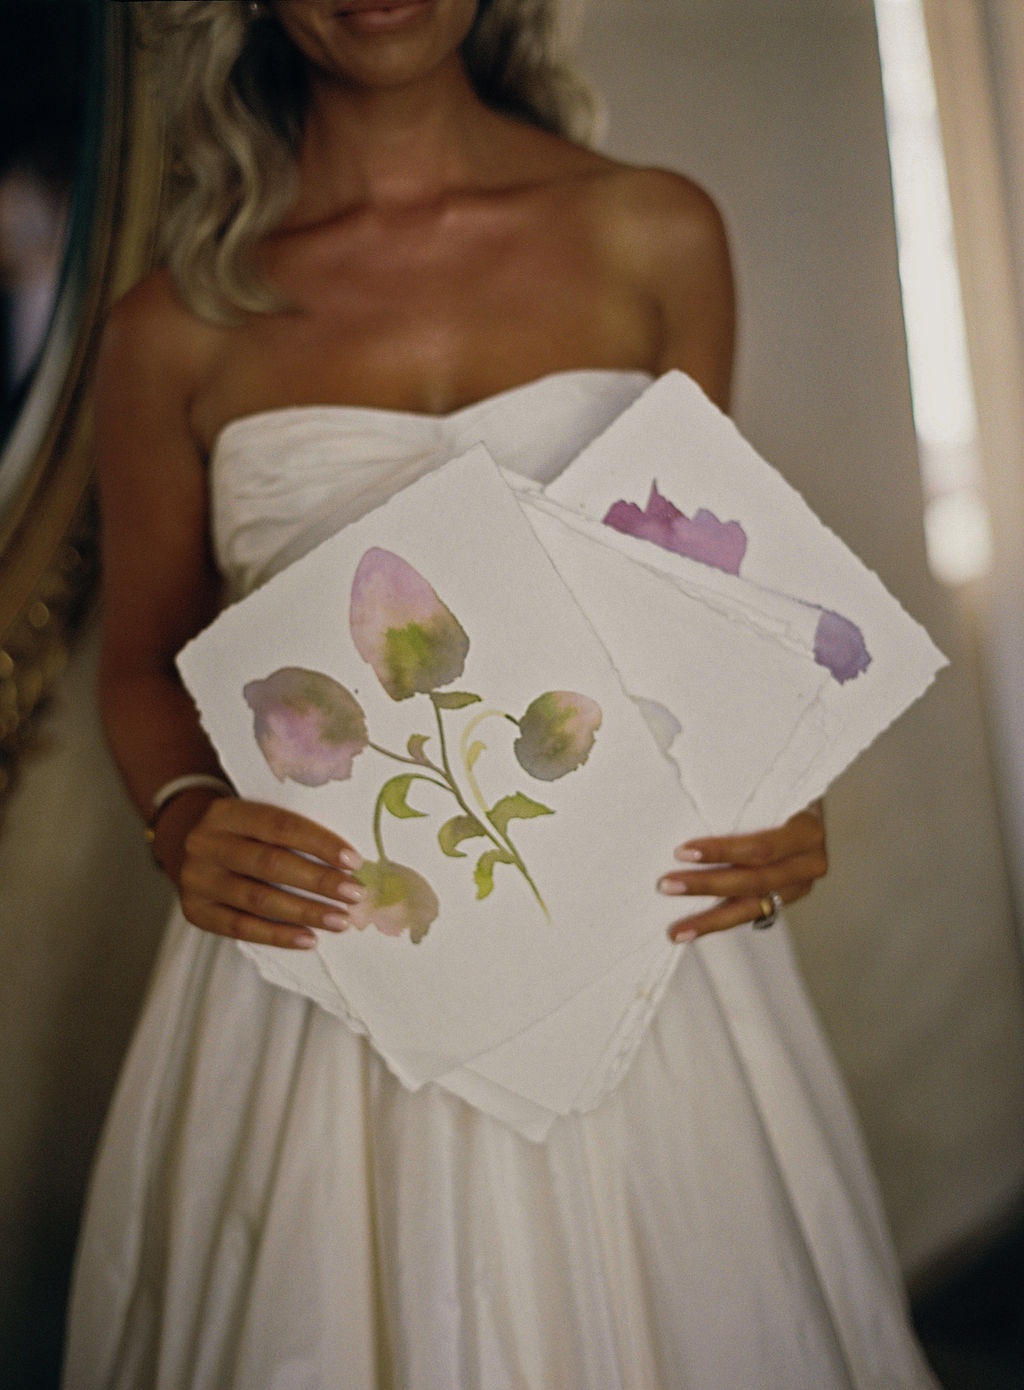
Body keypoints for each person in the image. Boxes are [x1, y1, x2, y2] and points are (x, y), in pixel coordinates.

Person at [63, 2, 938, 1386]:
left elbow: (706, 600)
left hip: (645, 960)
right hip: (321, 963)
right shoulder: (170, 325)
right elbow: (138, 658)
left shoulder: (656, 234)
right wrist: (183, 816)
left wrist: (776, 797)